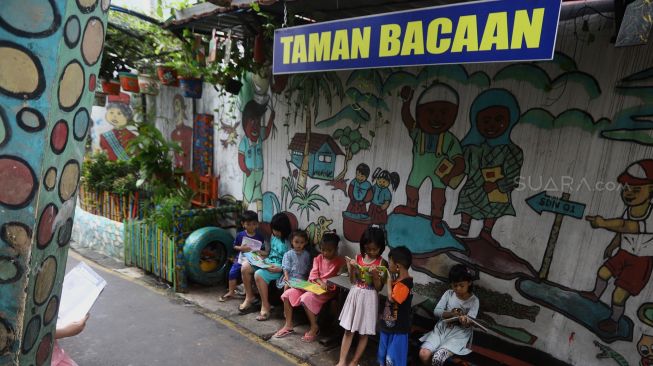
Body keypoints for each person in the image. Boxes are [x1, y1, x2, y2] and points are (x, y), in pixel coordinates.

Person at [582, 159, 653, 333]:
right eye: (626, 188)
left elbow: (627, 226)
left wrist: (602, 222)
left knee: (619, 295)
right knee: (603, 272)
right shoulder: (629, 210)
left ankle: (614, 320)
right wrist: (612, 246)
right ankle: (595, 294)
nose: (628, 193)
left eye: (636, 189)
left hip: (640, 262)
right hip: (623, 253)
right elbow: (621, 231)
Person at [452, 89, 523, 244]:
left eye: (499, 120)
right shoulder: (473, 148)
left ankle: (486, 232)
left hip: (495, 190)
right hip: (474, 187)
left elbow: (514, 176)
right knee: (466, 196)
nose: (492, 125)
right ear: (476, 122)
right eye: (485, 121)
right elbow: (462, 164)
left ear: (510, 120)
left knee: (495, 204)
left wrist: (497, 185)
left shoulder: (512, 151)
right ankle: (464, 226)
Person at [274, 232, 345, 342]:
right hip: (311, 286)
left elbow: (340, 278)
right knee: (287, 294)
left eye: (329, 250)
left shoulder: (340, 261)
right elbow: (313, 274)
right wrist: (319, 282)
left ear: (336, 249)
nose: (325, 253)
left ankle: (314, 327)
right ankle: (288, 325)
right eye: (323, 249)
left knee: (305, 298)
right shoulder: (318, 258)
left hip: (326, 291)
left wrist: (327, 283)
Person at [336, 226, 388, 366]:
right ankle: (342, 361)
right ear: (363, 246)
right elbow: (353, 281)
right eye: (368, 249)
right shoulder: (358, 257)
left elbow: (379, 288)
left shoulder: (382, 263)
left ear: (381, 247)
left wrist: (376, 276)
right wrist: (352, 268)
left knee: (364, 333)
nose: (371, 252)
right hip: (355, 294)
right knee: (348, 329)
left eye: (374, 249)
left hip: (369, 298)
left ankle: (354, 362)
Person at [418, 264, 479, 366]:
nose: (458, 289)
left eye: (461, 285)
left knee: (438, 357)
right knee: (423, 354)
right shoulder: (448, 294)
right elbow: (436, 311)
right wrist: (450, 313)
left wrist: (466, 321)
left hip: (459, 334)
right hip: (442, 329)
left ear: (469, 283)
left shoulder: (474, 301)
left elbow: (471, 321)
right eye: (455, 285)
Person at [240, 212, 290, 320]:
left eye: (278, 230)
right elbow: (271, 252)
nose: (275, 232)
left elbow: (292, 262)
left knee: (259, 274)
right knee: (245, 267)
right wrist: (261, 253)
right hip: (268, 261)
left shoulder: (289, 242)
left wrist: (280, 269)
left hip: (279, 267)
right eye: (274, 230)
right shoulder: (273, 236)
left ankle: (265, 305)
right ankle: (249, 297)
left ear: (284, 229)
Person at [378, 246, 413, 366]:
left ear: (397, 266)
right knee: (383, 355)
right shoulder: (398, 281)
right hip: (388, 326)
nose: (388, 266)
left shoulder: (405, 284)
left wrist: (388, 281)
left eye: (389, 263)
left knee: (392, 358)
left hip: (399, 330)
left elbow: (392, 299)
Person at [220, 210, 263, 302]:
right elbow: (234, 246)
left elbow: (261, 248)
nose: (251, 226)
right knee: (232, 272)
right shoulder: (240, 235)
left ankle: (252, 292)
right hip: (241, 258)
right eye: (248, 224)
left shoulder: (259, 236)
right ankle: (231, 291)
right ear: (243, 224)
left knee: (254, 273)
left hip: (253, 259)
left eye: (254, 224)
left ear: (257, 224)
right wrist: (241, 248)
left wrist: (259, 252)